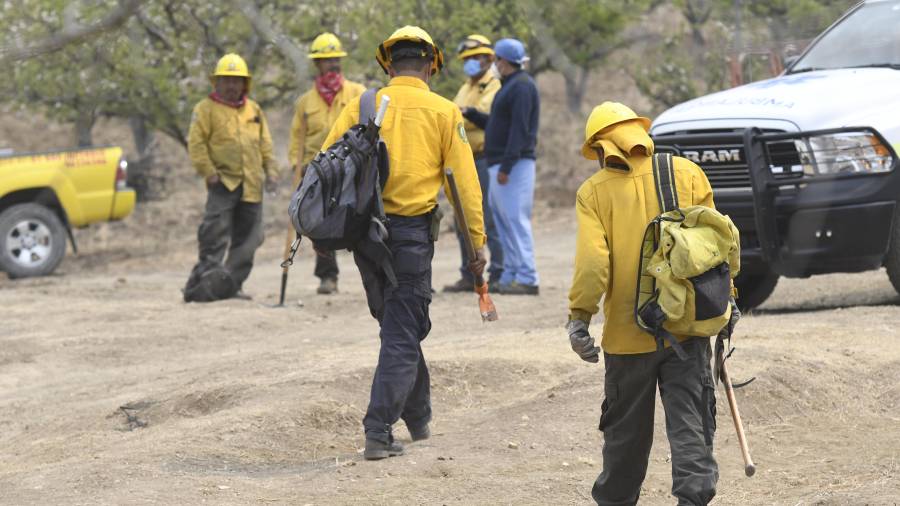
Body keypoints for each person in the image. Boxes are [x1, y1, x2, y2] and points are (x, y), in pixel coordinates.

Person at [322, 26, 486, 460]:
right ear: (431, 66)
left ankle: (418, 416)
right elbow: (464, 188)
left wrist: (326, 234)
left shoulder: (362, 105)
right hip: (410, 237)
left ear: (388, 65)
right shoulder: (445, 112)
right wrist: (477, 246)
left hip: (364, 237)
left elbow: (326, 166)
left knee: (399, 325)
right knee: (402, 330)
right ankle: (378, 430)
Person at [566, 102, 720, 505]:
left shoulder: (594, 192)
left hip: (627, 336)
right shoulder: (686, 173)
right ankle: (694, 498)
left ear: (601, 149)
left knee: (625, 435)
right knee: (691, 423)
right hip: (686, 327)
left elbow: (593, 265)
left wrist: (579, 317)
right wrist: (728, 301)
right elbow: (716, 248)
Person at [186, 53, 278, 300]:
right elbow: (196, 144)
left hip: (252, 184)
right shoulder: (205, 109)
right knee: (213, 236)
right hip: (223, 183)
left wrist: (271, 172)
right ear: (216, 82)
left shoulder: (254, 109)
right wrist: (208, 172)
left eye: (236, 81)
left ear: (245, 84)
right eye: (226, 80)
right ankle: (202, 288)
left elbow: (265, 144)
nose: (231, 86)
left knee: (249, 240)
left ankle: (231, 286)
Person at [287, 32, 366, 295]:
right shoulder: (305, 102)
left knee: (361, 215)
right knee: (319, 221)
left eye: (336, 59)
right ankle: (327, 276)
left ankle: (372, 271)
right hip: (318, 170)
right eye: (327, 60)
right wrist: (295, 165)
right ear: (317, 64)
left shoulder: (357, 93)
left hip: (352, 166)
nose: (333, 64)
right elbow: (296, 138)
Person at [442, 34, 503, 292]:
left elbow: (482, 115)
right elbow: (454, 116)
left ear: (488, 58)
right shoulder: (466, 87)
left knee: (488, 217)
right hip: (463, 160)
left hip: (484, 158)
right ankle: (469, 275)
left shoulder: (494, 85)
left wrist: (461, 115)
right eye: (467, 58)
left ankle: (498, 272)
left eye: (475, 57)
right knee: (461, 219)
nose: (470, 62)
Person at [483, 38, 540, 295]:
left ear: (504, 61)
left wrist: (507, 166)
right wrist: (470, 113)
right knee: (504, 221)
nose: (494, 63)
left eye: (495, 59)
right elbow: (500, 124)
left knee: (515, 220)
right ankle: (511, 275)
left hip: (514, 165)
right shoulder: (510, 86)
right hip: (502, 163)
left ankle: (527, 277)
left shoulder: (522, 87)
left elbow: (520, 129)